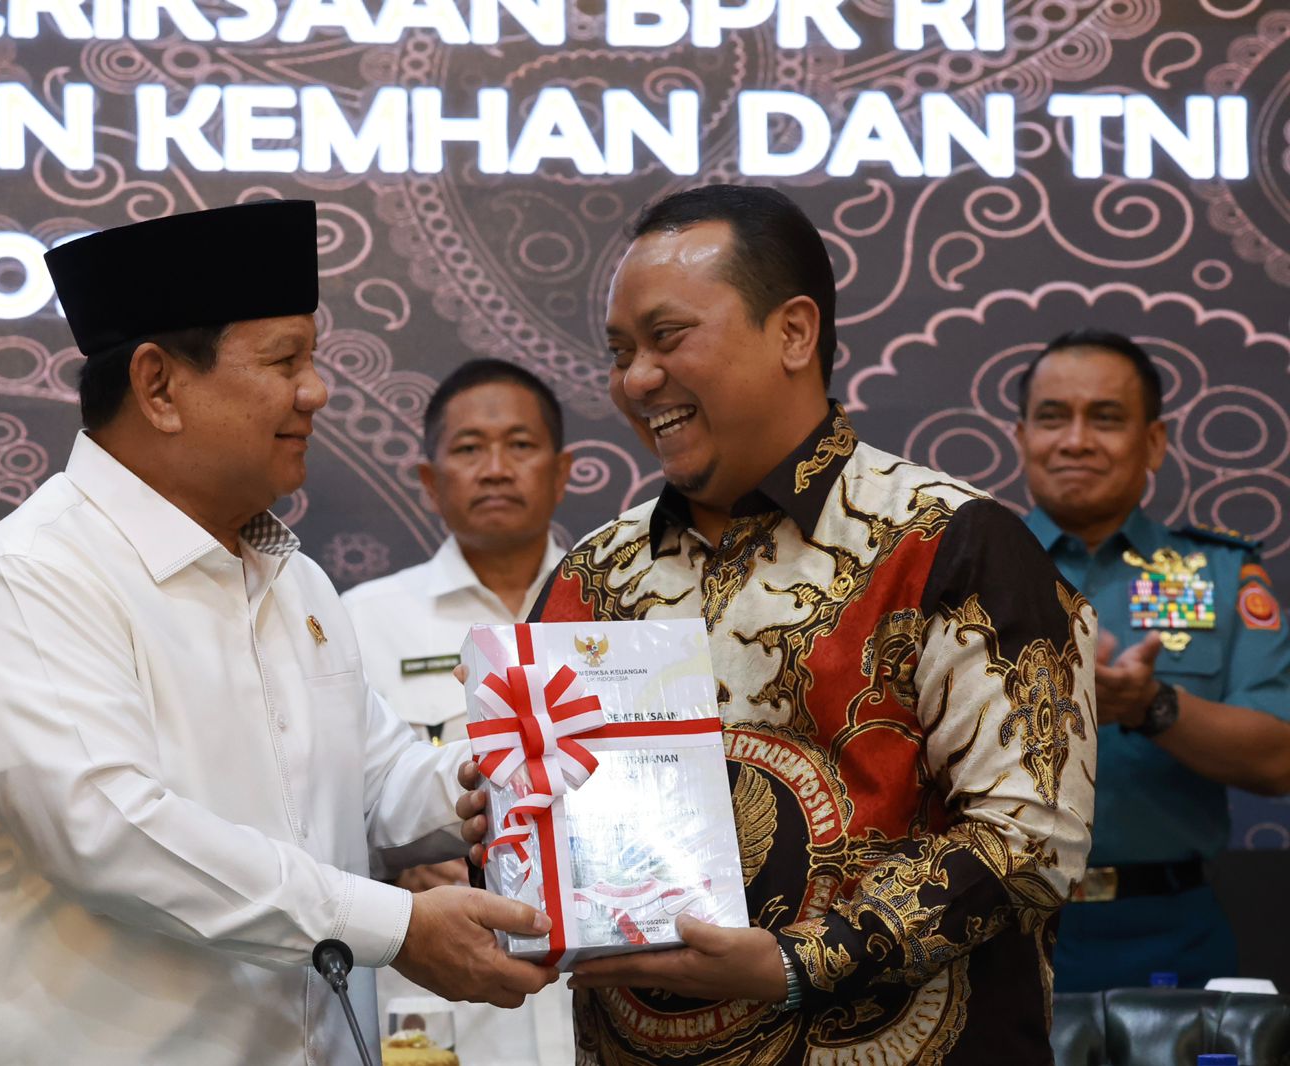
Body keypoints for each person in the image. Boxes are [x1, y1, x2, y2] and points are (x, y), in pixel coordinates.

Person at [0, 199, 556, 1066]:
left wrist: (502, 776)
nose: (318, 390)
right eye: (285, 360)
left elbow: (375, 778)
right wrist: (395, 925)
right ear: (159, 387)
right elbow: (112, 836)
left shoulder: (295, 580)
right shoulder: (31, 575)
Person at [457, 184, 1097, 1064]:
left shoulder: (948, 543)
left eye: (668, 337)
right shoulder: (591, 575)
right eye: (620, 352)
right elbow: (556, 861)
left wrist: (800, 963)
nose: (636, 379)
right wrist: (508, 833)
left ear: (794, 332)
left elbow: (1030, 838)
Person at [1015, 328, 1290, 991]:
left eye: (1106, 418)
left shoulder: (1217, 573)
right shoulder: (960, 572)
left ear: (1155, 442)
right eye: (1052, 417)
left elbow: (1278, 759)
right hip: (1000, 931)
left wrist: (1150, 705)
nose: (1075, 440)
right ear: (1022, 438)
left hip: (1169, 933)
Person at [343, 358, 575, 1066]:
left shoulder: (617, 607)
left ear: (563, 472)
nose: (496, 469)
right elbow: (320, 814)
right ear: (429, 479)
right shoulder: (361, 622)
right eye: (469, 448)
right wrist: (394, 870)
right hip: (442, 1012)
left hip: (601, 997)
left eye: (520, 445)